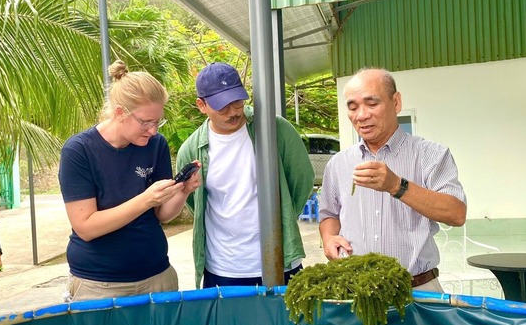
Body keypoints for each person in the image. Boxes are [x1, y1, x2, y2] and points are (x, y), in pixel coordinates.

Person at [58, 60, 200, 301]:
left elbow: (162, 215)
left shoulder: (156, 145)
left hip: (157, 275)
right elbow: (86, 227)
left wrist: (183, 191)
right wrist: (145, 200)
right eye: (146, 122)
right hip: (99, 283)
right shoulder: (79, 150)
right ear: (120, 113)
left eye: (158, 122)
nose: (153, 130)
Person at [318, 68, 467, 292]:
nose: (361, 115)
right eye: (353, 106)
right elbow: (329, 214)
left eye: (372, 103)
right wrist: (329, 239)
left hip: (417, 289)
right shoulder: (339, 163)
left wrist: (397, 186)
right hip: (355, 289)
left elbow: (456, 214)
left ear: (396, 102)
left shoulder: (431, 155)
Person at [176, 62, 313, 288]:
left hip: (282, 259)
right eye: (223, 107)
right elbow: (194, 202)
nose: (234, 112)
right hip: (224, 267)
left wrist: (284, 217)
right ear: (201, 105)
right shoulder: (190, 150)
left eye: (238, 101)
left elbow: (302, 180)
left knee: (288, 323)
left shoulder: (275, 129)